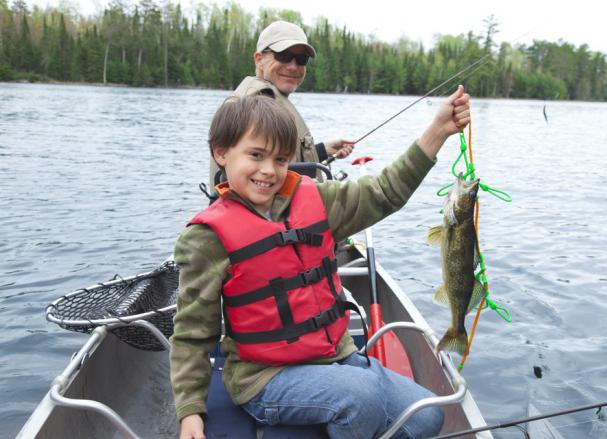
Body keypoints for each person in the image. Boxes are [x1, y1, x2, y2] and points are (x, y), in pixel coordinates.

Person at [172, 85, 471, 439]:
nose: (268, 171)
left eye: (280, 160)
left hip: (333, 355)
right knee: (361, 399)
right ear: (221, 153)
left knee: (427, 418)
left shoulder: (318, 200)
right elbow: (192, 335)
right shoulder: (206, 238)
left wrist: (438, 130)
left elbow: (384, 192)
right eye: (256, 155)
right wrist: (189, 411)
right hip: (264, 379)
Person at [209, 20, 354, 187]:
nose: (293, 66)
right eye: (283, 56)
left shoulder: (271, 98)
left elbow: (276, 161)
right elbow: (266, 178)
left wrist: (321, 151)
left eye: (301, 59)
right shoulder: (257, 105)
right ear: (259, 59)